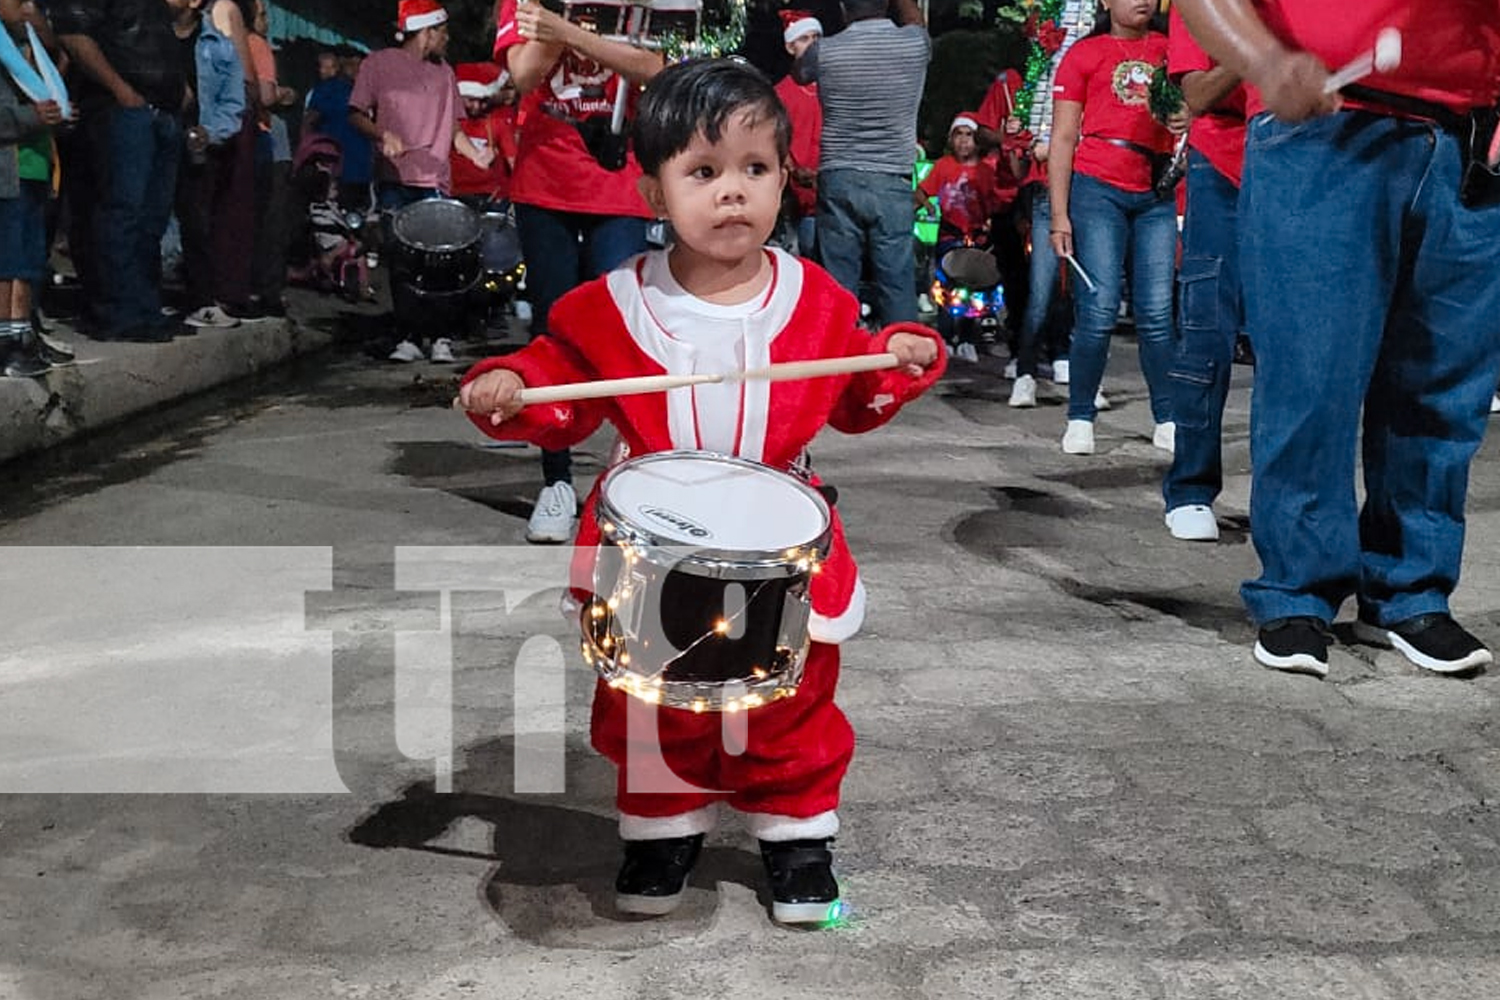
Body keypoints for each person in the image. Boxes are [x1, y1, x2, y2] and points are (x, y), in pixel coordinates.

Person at [457, 58, 944, 924]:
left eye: (755, 170)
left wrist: (900, 354)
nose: (732, 194)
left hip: (781, 539)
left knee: (792, 698)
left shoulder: (817, 303)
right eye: (703, 172)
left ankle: (797, 839)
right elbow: (556, 387)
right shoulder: (610, 306)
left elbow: (858, 390)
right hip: (652, 548)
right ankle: (661, 831)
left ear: (786, 181)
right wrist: (508, 384)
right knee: (651, 703)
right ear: (653, 192)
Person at [1176, 0, 1500, 677]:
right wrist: (1266, 62)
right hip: (1329, 125)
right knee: (1311, 375)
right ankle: (1298, 589)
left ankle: (1411, 590)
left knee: (1443, 389)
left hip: (1470, 141)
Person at [492, 0, 663, 543]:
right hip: (547, 182)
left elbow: (654, 70)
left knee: (625, 331)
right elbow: (522, 73)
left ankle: (627, 473)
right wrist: (559, 18)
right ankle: (557, 481)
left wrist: (568, 30)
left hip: (619, 184)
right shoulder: (528, 5)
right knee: (553, 331)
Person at [1047, 0, 1182, 457]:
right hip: (1096, 189)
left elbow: (1196, 105)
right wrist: (1059, 214)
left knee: (1159, 314)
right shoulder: (1085, 54)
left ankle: (1167, 417)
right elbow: (1063, 137)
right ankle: (1081, 414)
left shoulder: (1171, 48)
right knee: (1099, 310)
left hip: (1155, 192)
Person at [349, 0, 493, 361]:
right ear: (426, 33)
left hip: (435, 181)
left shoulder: (445, 74)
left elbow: (455, 127)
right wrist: (383, 136)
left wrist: (474, 154)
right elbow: (355, 114)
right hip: (394, 178)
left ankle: (441, 336)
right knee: (401, 260)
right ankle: (409, 336)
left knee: (440, 261)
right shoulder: (377, 64)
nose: (447, 39)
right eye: (442, 33)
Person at [1158, 5, 1246, 543]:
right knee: (1206, 334)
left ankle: (1291, 507)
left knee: (1294, 349)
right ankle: (1190, 488)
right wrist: (1270, 46)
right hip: (1221, 168)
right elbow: (1197, 95)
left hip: (1306, 161)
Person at [54, 0, 190, 342]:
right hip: (122, 109)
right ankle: (117, 314)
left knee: (151, 221)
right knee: (121, 213)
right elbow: (74, 33)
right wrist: (120, 90)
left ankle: (145, 308)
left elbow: (160, 36)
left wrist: (181, 89)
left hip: (161, 110)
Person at [794, 0, 930, 327]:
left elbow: (799, 73)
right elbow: (916, 19)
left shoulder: (825, 50)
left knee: (839, 284)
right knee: (897, 282)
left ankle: (839, 367)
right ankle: (903, 367)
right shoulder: (914, 43)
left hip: (839, 175)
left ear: (842, 7)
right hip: (891, 177)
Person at [0, 0, 66, 377]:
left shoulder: (27, 46)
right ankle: (6, 343)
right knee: (7, 262)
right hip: (9, 168)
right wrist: (31, 116)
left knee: (26, 261)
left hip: (36, 165)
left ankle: (23, 335)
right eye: (18, 1)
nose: (27, 8)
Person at [914, 111, 998, 358]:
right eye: (958, 135)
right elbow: (921, 191)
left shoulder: (985, 171)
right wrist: (926, 206)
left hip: (977, 239)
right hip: (948, 237)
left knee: (974, 289)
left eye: (969, 135)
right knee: (946, 287)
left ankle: (967, 337)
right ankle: (946, 335)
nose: (963, 141)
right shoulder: (943, 166)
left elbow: (994, 202)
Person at [773, 9, 821, 258]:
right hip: (796, 198)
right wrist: (793, 171)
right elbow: (773, 141)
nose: (812, 45)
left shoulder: (834, 86)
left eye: (816, 38)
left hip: (833, 194)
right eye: (805, 39)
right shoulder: (780, 93)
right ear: (791, 47)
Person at [303, 45, 372, 215]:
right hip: (335, 170)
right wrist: (306, 156)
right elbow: (309, 122)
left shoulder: (364, 91)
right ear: (341, 63)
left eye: (360, 65)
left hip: (363, 171)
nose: (357, 69)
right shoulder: (328, 89)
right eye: (352, 64)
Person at [450, 61, 516, 204]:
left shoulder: (499, 119)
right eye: (471, 100)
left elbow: (513, 161)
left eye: (483, 101)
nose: (477, 106)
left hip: (491, 195)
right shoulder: (449, 118)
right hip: (454, 194)